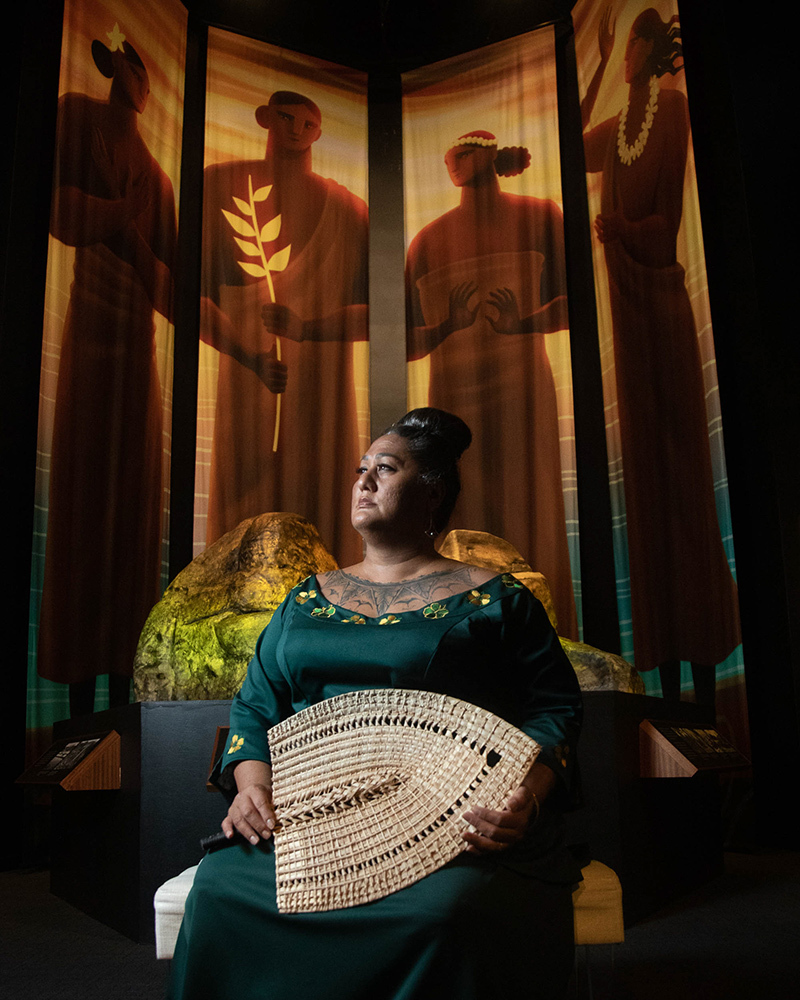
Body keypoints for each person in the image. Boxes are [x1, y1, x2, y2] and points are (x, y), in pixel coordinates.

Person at [168, 408, 582, 1000]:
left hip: (448, 819)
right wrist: (252, 785)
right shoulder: (304, 600)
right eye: (361, 469)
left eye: (384, 469)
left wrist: (528, 796)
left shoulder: (497, 600)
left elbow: (556, 709)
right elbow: (256, 707)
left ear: (432, 493)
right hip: (314, 812)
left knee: (441, 913)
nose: (362, 482)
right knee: (217, 892)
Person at [581, 6, 740, 703]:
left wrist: (624, 226)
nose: (623, 57)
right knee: (642, 478)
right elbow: (568, 136)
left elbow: (667, 219)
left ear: (648, 45)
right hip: (625, 317)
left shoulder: (671, 108)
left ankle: (706, 667)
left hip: (663, 305)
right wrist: (586, 67)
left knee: (680, 474)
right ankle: (666, 679)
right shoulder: (617, 127)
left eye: (628, 44)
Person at [38, 27, 176, 717]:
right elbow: (62, 213)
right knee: (83, 502)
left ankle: (126, 685)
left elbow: (170, 284)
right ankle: (75, 699)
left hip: (137, 345)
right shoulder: (76, 116)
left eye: (139, 70)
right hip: (90, 337)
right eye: (122, 66)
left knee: (132, 510)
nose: (130, 78)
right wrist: (118, 216)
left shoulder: (155, 169)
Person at [406, 132, 578, 639]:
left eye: (462, 152)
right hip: (454, 402)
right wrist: (448, 326)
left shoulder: (541, 216)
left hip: (524, 393)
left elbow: (576, 302)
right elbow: (406, 341)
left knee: (533, 504)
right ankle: (461, 637)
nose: (452, 162)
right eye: (448, 155)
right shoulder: (428, 240)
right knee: (463, 507)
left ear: (488, 155)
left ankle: (547, 636)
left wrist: (522, 323)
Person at [201, 90, 368, 565]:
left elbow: (380, 313)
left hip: (322, 397)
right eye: (285, 118)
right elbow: (196, 294)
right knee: (244, 525)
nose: (296, 130)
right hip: (249, 394)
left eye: (308, 123)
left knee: (317, 512)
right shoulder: (220, 185)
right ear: (263, 118)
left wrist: (308, 328)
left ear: (319, 132)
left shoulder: (351, 210)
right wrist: (248, 356)